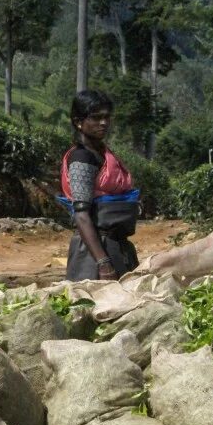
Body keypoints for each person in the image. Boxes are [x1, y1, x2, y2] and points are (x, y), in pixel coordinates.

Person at [60, 89, 139, 281]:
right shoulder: (82, 157)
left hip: (115, 245)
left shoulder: (101, 154)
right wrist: (103, 263)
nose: (103, 123)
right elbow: (81, 214)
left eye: (106, 117)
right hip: (94, 252)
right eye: (96, 118)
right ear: (78, 122)